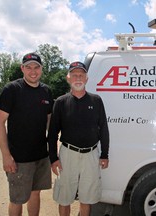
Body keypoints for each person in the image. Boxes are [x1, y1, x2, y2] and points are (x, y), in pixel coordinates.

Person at [0, 52, 53, 216]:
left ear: (42, 69)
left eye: (36, 67)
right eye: (28, 67)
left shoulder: (46, 91)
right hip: (19, 159)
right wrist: (6, 156)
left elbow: (49, 121)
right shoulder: (12, 89)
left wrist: (53, 151)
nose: (33, 71)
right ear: (22, 68)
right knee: (17, 199)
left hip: (41, 156)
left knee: (35, 193)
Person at [48, 61, 109, 216]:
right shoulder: (61, 102)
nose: (78, 78)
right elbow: (53, 132)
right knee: (64, 196)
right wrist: (53, 158)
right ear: (68, 78)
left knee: (87, 196)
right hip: (68, 154)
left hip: (91, 154)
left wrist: (104, 154)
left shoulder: (96, 100)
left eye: (81, 75)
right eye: (74, 75)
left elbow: (104, 129)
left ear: (87, 78)